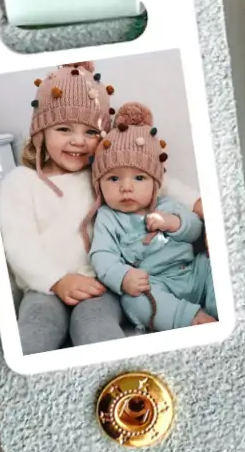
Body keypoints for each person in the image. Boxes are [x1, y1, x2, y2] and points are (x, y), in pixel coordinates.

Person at [0, 61, 126, 353]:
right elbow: (19, 244)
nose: (78, 141)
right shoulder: (21, 182)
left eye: (91, 132)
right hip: (42, 287)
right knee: (36, 327)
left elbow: (153, 183)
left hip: (97, 285)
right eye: (65, 129)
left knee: (95, 325)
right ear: (41, 133)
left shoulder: (104, 176)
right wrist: (56, 280)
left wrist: (196, 203)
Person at [87, 101, 217, 332]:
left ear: (156, 183)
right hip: (152, 281)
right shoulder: (108, 217)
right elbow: (102, 254)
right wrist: (123, 276)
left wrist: (173, 223)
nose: (126, 187)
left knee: (215, 267)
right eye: (114, 178)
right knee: (134, 301)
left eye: (139, 178)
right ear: (99, 185)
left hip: (193, 271)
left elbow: (196, 228)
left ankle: (220, 309)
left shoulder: (167, 204)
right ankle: (191, 318)